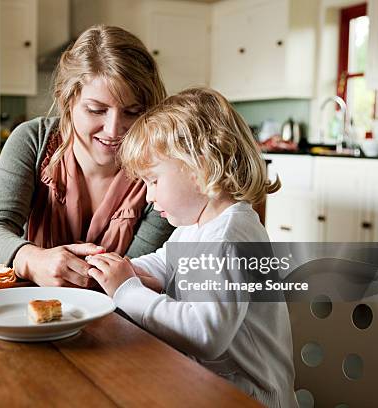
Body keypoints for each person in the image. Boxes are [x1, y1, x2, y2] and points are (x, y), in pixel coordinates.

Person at [85, 88, 298, 408]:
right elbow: (165, 262)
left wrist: (127, 290)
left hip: (250, 397)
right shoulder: (197, 226)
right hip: (212, 386)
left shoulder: (229, 239)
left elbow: (205, 334)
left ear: (200, 169)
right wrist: (124, 269)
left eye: (154, 180)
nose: (147, 196)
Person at [0, 25, 174, 287]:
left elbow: (141, 273)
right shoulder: (32, 140)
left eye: (133, 112)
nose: (114, 130)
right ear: (67, 101)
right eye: (96, 110)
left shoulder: (163, 169)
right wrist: (32, 260)